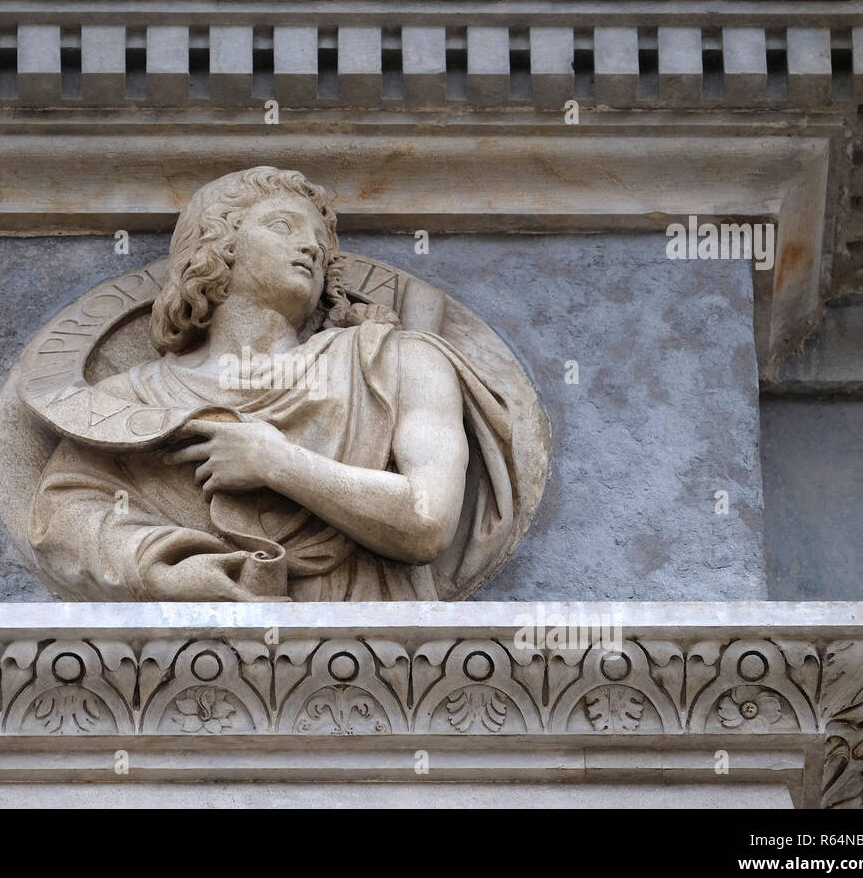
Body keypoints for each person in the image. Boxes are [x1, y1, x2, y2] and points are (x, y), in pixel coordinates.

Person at [29, 166, 518, 601]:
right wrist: (176, 573)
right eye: (282, 226)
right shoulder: (127, 399)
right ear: (215, 249)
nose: (309, 247)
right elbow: (69, 521)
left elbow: (426, 523)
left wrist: (277, 462)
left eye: (319, 245)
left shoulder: (394, 361)